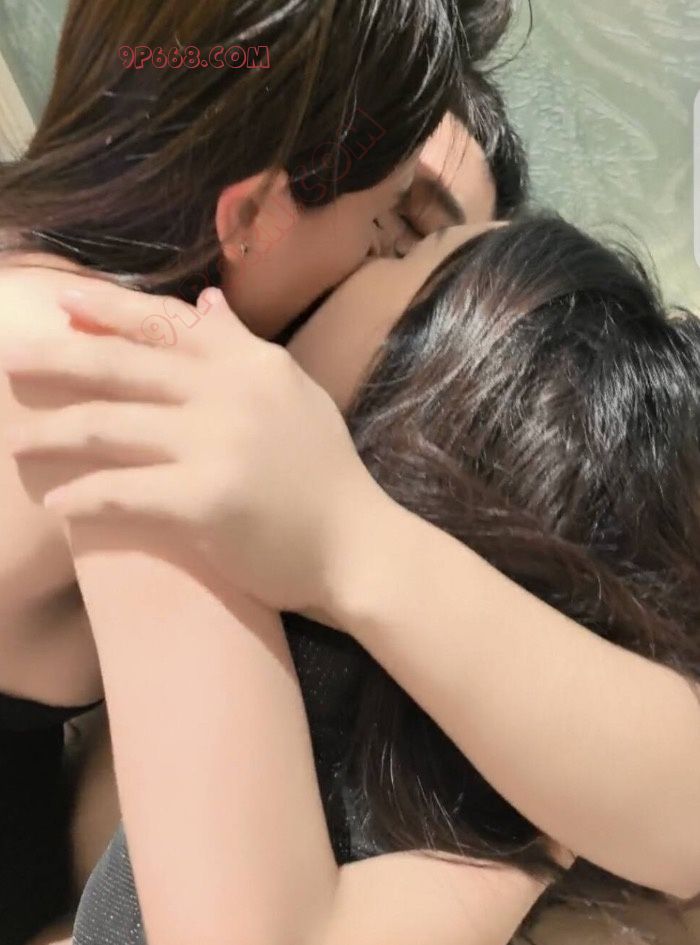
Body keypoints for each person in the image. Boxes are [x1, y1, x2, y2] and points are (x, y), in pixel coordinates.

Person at [6, 213, 698, 945]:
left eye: (404, 251)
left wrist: (348, 536)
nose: (368, 255)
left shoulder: (169, 427)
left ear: (431, 380)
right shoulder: (452, 806)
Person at [0, 0, 490, 940]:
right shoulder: (147, 394)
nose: (382, 261)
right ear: (255, 212)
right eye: (384, 221)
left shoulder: (34, 239)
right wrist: (534, 840)